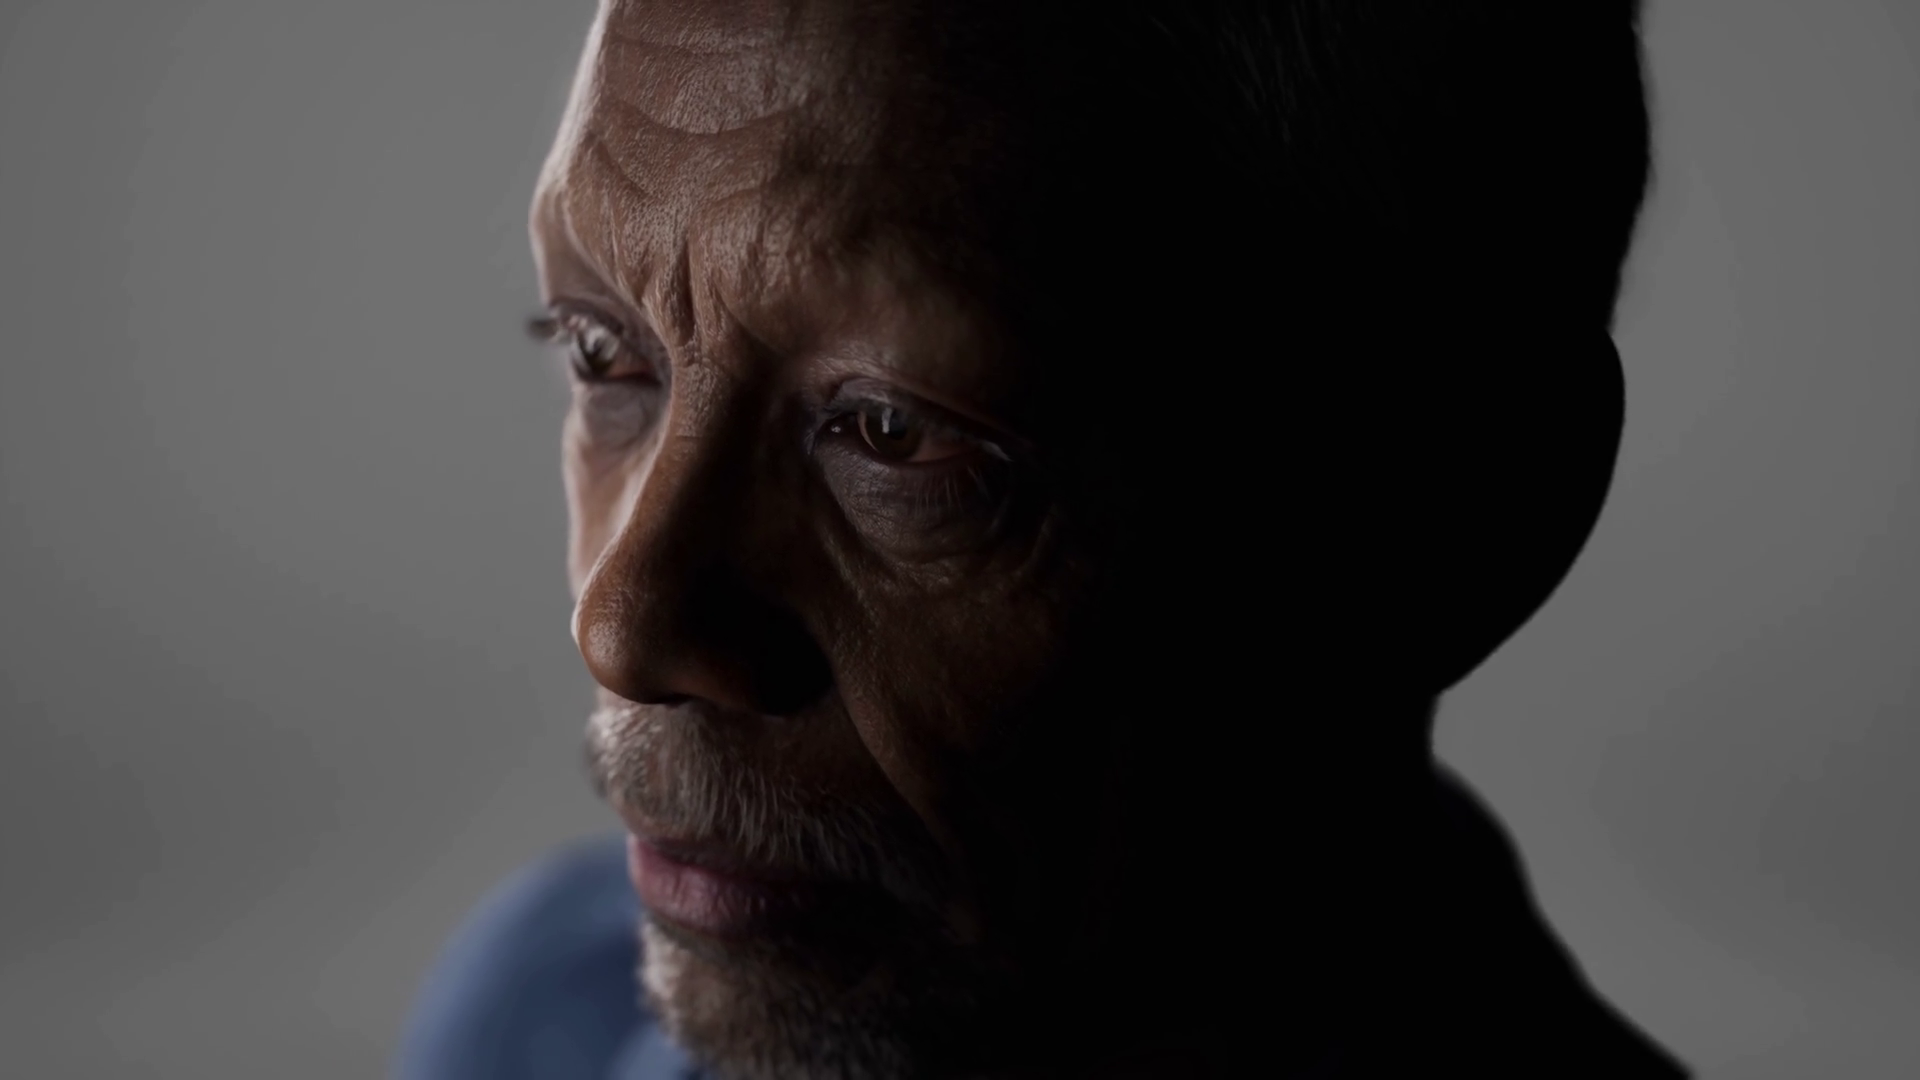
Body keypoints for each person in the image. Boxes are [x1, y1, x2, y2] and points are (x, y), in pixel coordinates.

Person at [398, 1, 1688, 1076]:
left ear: (1469, 518)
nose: (624, 627)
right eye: (604, 352)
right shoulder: (541, 1012)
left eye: (894, 431)